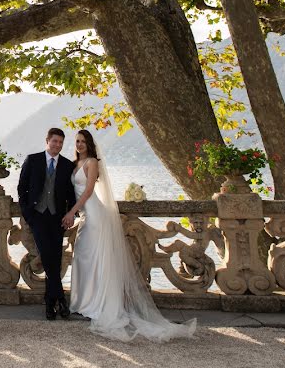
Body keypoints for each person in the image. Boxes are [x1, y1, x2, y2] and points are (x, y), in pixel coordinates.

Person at [63, 129, 197, 341]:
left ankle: (98, 304)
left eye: (83, 141)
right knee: (83, 257)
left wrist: (71, 212)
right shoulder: (74, 164)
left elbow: (88, 192)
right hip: (85, 216)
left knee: (98, 259)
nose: (79, 144)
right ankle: (83, 302)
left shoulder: (92, 162)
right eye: (77, 141)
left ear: (89, 143)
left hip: (95, 215)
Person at [17, 127, 77, 320]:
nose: (57, 145)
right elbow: (22, 188)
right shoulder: (32, 160)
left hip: (57, 219)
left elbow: (71, 194)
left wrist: (70, 213)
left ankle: (52, 301)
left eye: (60, 142)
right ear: (47, 141)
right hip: (38, 218)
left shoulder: (67, 165)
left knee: (55, 259)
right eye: (55, 141)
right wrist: (28, 214)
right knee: (48, 257)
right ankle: (59, 300)